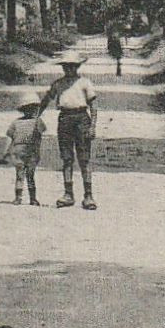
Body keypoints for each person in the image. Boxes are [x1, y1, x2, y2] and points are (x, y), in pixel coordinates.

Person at [36, 50, 97, 209]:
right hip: (65, 119)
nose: (68, 70)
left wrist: (92, 126)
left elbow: (93, 106)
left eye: (72, 66)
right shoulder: (58, 84)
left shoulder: (85, 83)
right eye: (65, 67)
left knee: (84, 158)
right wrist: (36, 116)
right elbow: (47, 99)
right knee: (67, 158)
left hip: (82, 118)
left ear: (77, 67)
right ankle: (68, 193)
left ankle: (88, 195)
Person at [0, 89, 45, 206]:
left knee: (21, 175)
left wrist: (5, 152)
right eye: (29, 108)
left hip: (22, 150)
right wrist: (5, 152)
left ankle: (20, 198)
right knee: (28, 175)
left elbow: (9, 137)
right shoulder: (37, 122)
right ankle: (30, 198)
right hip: (28, 151)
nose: (30, 110)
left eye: (32, 108)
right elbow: (40, 136)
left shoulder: (17, 122)